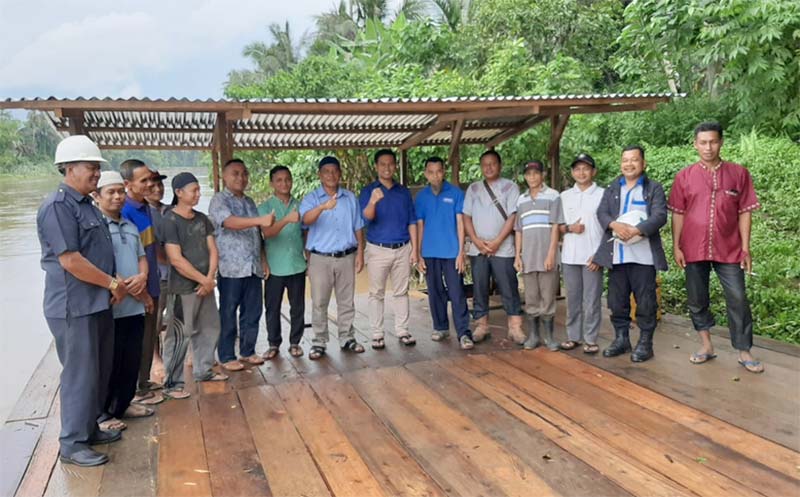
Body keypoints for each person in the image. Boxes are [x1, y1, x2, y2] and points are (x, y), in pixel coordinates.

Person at [37, 135, 123, 467]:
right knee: (79, 374)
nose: (97, 174)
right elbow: (70, 260)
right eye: (91, 167)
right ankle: (72, 443)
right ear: (70, 168)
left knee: (98, 370)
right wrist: (113, 283)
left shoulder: (86, 204)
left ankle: (89, 428)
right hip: (74, 307)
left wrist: (107, 288)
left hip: (97, 302)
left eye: (97, 168)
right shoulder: (58, 206)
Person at [668, 121, 764, 373]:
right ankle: (706, 345)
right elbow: (677, 213)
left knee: (738, 297)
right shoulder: (684, 176)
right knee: (697, 298)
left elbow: (745, 212)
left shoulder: (738, 173)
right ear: (695, 144)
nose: (708, 147)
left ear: (721, 142)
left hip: (729, 248)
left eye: (712, 141)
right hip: (692, 247)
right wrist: (676, 246)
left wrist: (745, 248)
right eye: (703, 142)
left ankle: (743, 350)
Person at [594, 145, 668, 362]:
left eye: (634, 160)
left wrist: (637, 230)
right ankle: (621, 339)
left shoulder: (653, 188)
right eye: (625, 160)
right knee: (617, 302)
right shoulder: (612, 188)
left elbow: (660, 215)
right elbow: (602, 213)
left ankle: (645, 343)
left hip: (643, 258)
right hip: (617, 256)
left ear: (643, 163)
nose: (629, 164)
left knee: (645, 302)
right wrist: (614, 224)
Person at [94, 171, 155, 432]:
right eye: (111, 192)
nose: (118, 196)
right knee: (109, 360)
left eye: (120, 191)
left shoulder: (130, 226)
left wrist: (143, 276)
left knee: (132, 357)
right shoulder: (96, 227)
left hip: (133, 305)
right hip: (112, 305)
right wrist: (129, 287)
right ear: (97, 196)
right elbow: (100, 265)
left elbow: (142, 256)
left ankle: (124, 403)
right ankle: (104, 414)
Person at [161, 172, 228, 399]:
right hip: (183, 287)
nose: (198, 194)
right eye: (194, 190)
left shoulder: (202, 218)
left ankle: (204, 369)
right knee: (180, 333)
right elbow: (176, 259)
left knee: (210, 327)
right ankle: (173, 383)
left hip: (206, 285)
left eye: (200, 190)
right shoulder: (169, 220)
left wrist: (210, 276)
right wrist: (204, 280)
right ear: (179, 193)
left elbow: (213, 249)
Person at [208, 159, 274, 371]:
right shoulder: (219, 200)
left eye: (244, 174)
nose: (241, 178)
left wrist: (263, 260)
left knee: (252, 311)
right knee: (228, 312)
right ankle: (227, 355)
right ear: (225, 177)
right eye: (235, 173)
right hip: (231, 268)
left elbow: (257, 234)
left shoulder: (250, 202)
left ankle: (247, 351)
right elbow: (229, 222)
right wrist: (259, 221)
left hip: (252, 266)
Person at [300, 156, 366, 360]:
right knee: (319, 301)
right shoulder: (311, 199)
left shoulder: (350, 198)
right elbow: (305, 220)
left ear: (340, 174)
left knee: (346, 301)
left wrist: (361, 253)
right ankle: (319, 341)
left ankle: (347, 337)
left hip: (346, 256)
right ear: (320, 175)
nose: (331, 175)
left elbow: (358, 226)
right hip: (320, 258)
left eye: (335, 171)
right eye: (326, 171)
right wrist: (322, 208)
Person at [359, 149, 418, 350]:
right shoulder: (369, 191)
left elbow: (412, 221)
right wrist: (373, 201)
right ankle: (377, 334)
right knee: (376, 293)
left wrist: (415, 249)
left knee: (402, 292)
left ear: (395, 166)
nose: (387, 168)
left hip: (402, 247)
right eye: (382, 164)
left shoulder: (403, 192)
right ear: (376, 166)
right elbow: (366, 218)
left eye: (390, 164)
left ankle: (402, 330)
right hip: (378, 248)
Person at [463, 150, 524, 343]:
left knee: (508, 286)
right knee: (479, 287)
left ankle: (515, 327)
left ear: (500, 165)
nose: (489, 167)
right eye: (485, 164)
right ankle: (482, 326)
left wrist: (498, 241)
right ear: (481, 167)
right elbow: (466, 216)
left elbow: (513, 216)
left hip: (503, 247)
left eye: (493, 164)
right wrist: (475, 239)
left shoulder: (510, 187)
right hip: (478, 248)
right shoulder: (473, 188)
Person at [415, 157, 474, 350]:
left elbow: (460, 223)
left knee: (457, 292)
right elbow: (420, 226)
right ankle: (440, 327)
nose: (435, 175)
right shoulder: (422, 197)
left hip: (451, 252)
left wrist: (461, 252)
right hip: (430, 252)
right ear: (426, 174)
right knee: (435, 291)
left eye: (438, 171)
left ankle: (464, 333)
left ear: (443, 172)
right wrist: (418, 253)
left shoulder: (455, 194)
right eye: (431, 172)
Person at [119, 159, 162, 404]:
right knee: (135, 337)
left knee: (149, 334)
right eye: (143, 180)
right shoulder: (124, 210)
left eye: (150, 179)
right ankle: (134, 390)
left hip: (152, 281)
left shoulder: (145, 208)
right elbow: (129, 256)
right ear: (128, 184)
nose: (149, 184)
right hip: (136, 288)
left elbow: (150, 249)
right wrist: (141, 290)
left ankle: (143, 382)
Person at [514, 160, 564, 350]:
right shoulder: (521, 200)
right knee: (531, 297)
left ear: (542, 174)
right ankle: (534, 335)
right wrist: (518, 256)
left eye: (536, 173)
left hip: (547, 256)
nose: (532, 177)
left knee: (548, 297)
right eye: (528, 174)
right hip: (528, 257)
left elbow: (555, 227)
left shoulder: (553, 196)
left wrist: (551, 253)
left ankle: (549, 337)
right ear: (525, 177)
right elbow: (518, 230)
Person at [258, 165, 307, 359]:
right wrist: (287, 219)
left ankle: (295, 342)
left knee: (298, 307)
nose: (284, 183)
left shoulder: (301, 204)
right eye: (279, 180)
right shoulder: (264, 207)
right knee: (272, 307)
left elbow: (306, 233)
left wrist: (308, 257)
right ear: (272, 183)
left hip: (297, 264)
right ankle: (273, 343)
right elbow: (266, 233)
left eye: (287, 179)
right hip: (275, 266)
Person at [559, 153, 605, 354]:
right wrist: (569, 228)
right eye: (577, 169)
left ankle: (591, 338)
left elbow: (610, 228)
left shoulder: (604, 194)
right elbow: (557, 227)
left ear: (593, 171)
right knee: (573, 298)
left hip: (593, 256)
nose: (581, 172)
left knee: (592, 300)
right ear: (572, 172)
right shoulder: (564, 196)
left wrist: (601, 255)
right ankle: (573, 336)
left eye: (586, 168)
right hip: (569, 256)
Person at [145, 168, 169, 384]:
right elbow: (153, 249)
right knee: (154, 320)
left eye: (159, 184)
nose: (157, 189)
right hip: (156, 275)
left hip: (178, 275)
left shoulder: (170, 210)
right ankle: (155, 358)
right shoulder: (142, 213)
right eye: (151, 185)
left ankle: (178, 352)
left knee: (180, 316)